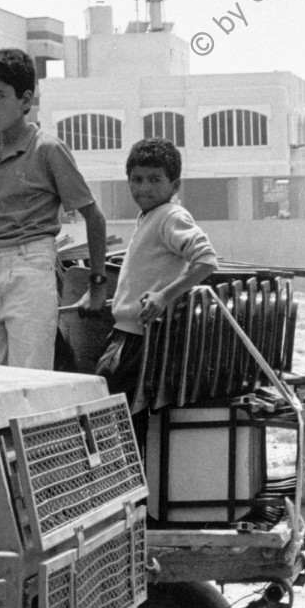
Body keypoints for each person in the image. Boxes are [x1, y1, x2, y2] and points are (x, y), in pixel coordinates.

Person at [0, 48, 107, 369]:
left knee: (28, 381)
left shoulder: (48, 149)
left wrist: (97, 286)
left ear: (25, 100)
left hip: (29, 270)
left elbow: (93, 216)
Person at [96, 138, 219, 408]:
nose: (144, 188)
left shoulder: (170, 216)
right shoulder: (150, 215)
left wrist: (164, 296)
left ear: (174, 185)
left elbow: (207, 260)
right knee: (115, 412)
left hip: (139, 338)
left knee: (105, 408)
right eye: (136, 179)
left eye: (154, 180)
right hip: (127, 332)